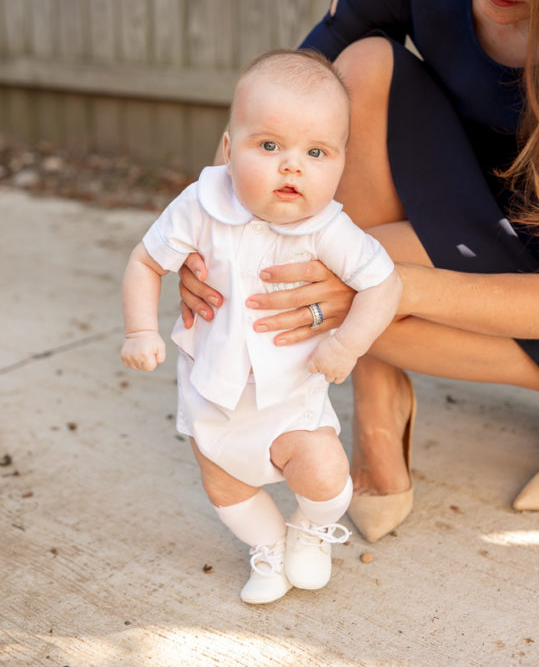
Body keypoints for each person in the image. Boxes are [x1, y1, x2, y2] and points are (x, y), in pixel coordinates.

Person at [178, 0, 539, 543]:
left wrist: (393, 289)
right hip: (452, 210)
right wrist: (211, 227)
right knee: (356, 70)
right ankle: (379, 400)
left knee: (326, 298)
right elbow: (287, 95)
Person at [121, 49, 401, 602]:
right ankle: (268, 547)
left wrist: (347, 344)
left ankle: (310, 529)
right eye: (269, 146)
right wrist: (140, 330)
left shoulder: (329, 228)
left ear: (342, 162)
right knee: (223, 484)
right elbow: (146, 261)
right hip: (214, 391)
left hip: (291, 391)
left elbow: (383, 284)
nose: (291, 165)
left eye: (316, 152)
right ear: (229, 150)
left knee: (324, 473)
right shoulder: (200, 205)